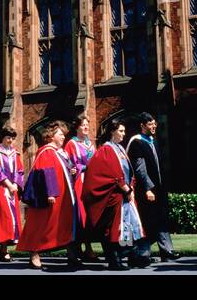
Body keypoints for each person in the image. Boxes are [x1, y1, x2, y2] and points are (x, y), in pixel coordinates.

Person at [82, 118, 146, 270]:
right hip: (114, 196)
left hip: (125, 195)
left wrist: (131, 188)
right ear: (112, 131)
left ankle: (131, 256)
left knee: (127, 226)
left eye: (124, 131)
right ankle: (114, 260)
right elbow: (111, 174)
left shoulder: (120, 148)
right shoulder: (106, 149)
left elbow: (128, 172)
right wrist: (126, 189)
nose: (124, 134)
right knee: (113, 228)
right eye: (121, 131)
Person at [17, 121, 80, 270]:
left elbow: (65, 170)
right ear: (51, 136)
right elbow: (47, 171)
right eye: (60, 134)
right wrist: (51, 192)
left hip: (64, 198)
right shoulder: (47, 151)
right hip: (52, 197)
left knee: (64, 225)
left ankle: (71, 255)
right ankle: (34, 253)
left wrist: (73, 171)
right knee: (41, 224)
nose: (63, 137)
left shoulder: (61, 153)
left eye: (64, 134)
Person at [127, 112, 179, 262]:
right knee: (147, 220)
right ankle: (142, 254)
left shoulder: (151, 140)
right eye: (150, 124)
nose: (154, 126)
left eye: (154, 123)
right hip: (146, 190)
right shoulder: (137, 142)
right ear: (142, 126)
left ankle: (167, 251)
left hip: (159, 188)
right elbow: (140, 169)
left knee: (162, 219)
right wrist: (148, 188)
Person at [0, 128, 24, 262]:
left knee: (12, 219)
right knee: (4, 218)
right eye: (8, 137)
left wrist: (16, 186)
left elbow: (20, 171)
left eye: (12, 138)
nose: (10, 140)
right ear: (2, 137)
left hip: (12, 190)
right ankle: (3, 248)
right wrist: (9, 185)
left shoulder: (15, 153)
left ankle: (4, 250)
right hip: (0, 189)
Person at [64, 113, 98, 262]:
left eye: (87, 125)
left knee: (90, 215)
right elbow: (68, 164)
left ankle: (89, 247)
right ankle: (76, 249)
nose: (86, 127)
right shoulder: (71, 144)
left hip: (92, 182)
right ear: (77, 127)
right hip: (79, 182)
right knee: (80, 215)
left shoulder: (91, 144)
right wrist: (83, 168)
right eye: (83, 125)